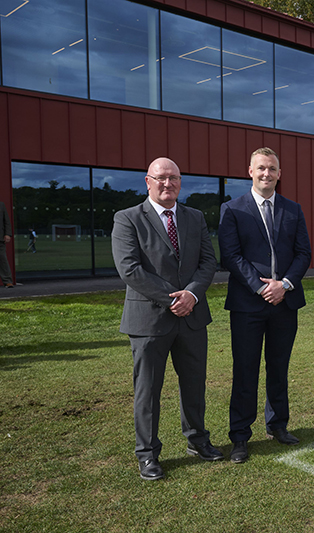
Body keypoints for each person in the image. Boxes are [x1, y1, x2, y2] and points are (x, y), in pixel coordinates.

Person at [111, 157, 222, 481]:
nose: (167, 183)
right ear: (148, 181)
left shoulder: (194, 217)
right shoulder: (128, 218)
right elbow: (130, 269)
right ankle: (147, 455)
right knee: (148, 391)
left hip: (191, 317)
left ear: (180, 182)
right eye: (160, 178)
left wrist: (192, 294)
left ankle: (198, 441)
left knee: (194, 386)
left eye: (173, 178)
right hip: (148, 321)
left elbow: (208, 261)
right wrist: (173, 298)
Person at [218, 147, 311, 463]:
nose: (266, 174)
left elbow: (303, 254)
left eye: (272, 168)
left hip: (284, 302)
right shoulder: (233, 209)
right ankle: (241, 436)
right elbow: (231, 256)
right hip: (248, 304)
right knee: (245, 370)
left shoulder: (293, 209)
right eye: (261, 168)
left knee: (278, 367)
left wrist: (284, 285)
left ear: (279, 173)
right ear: (250, 171)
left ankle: (278, 425)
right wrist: (261, 287)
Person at [0, 201, 13, 287]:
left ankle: (7, 281)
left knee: (2, 260)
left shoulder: (1, 205)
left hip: (0, 238)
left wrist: (8, 234)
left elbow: (7, 221)